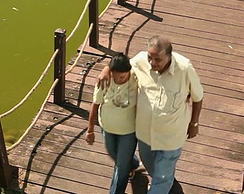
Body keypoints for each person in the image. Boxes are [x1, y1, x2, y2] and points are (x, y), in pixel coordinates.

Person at [99, 35, 204, 194]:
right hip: (145, 134)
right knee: (152, 167)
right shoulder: (140, 60)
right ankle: (171, 184)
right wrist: (106, 68)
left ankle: (165, 183)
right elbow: (121, 64)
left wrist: (194, 123)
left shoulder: (185, 69)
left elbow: (198, 97)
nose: (153, 63)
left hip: (171, 136)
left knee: (161, 177)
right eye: (150, 57)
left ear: (169, 56)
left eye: (158, 59)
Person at [86, 53, 140, 194]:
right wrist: (90, 130)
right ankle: (133, 163)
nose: (118, 79)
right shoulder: (105, 80)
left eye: (122, 77)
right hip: (107, 128)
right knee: (114, 154)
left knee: (121, 166)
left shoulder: (137, 77)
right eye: (115, 76)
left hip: (129, 131)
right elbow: (95, 104)